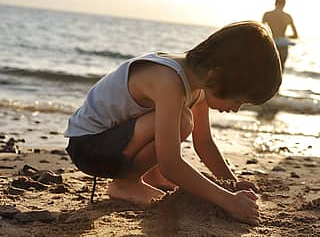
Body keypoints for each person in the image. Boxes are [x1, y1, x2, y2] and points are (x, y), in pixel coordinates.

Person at [64, 21, 282, 225]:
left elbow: (204, 142)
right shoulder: (168, 80)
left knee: (182, 120)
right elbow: (171, 164)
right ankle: (126, 183)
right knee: (183, 120)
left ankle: (148, 175)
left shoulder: (198, 84)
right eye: (238, 100)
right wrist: (229, 201)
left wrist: (231, 183)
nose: (235, 109)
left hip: (113, 144)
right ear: (215, 75)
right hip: (89, 148)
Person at [262, 0, 298, 70]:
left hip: (270, 44)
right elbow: (295, 35)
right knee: (280, 70)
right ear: (284, 4)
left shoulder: (267, 14)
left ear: (275, 3)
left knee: (268, 69)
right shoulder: (287, 16)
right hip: (283, 46)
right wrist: (284, 37)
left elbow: (261, 31)